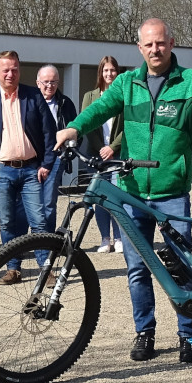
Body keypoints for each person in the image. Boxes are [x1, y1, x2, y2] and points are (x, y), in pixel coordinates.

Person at [56, 19, 192, 365]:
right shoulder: (126, 83)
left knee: (182, 267)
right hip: (133, 191)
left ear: (172, 44)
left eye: (161, 43)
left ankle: (190, 335)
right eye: (148, 44)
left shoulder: (191, 82)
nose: (155, 49)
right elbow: (98, 109)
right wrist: (74, 128)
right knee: (137, 268)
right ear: (140, 48)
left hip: (171, 192)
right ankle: (145, 332)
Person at [0, 50, 57, 285]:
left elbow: (49, 134)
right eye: (5, 69)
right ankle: (13, 269)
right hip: (2, 171)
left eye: (14, 68)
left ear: (19, 70)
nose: (10, 74)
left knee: (39, 222)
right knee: (7, 223)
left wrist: (46, 164)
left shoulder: (34, 96)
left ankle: (46, 270)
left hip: (32, 171)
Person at [81, 56, 125, 253]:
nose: (109, 74)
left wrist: (113, 147)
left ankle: (118, 237)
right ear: (100, 73)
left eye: (113, 70)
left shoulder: (124, 95)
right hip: (97, 156)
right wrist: (101, 148)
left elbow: (129, 126)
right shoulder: (90, 96)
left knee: (117, 197)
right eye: (106, 70)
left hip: (117, 155)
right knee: (100, 198)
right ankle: (105, 238)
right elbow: (87, 124)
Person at [36, 65, 77, 235]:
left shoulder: (66, 103)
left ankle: (47, 239)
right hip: (33, 159)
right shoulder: (29, 102)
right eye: (46, 82)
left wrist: (68, 152)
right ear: (38, 83)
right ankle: (30, 239)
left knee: (48, 202)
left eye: (53, 82)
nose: (49, 86)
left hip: (56, 158)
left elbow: (76, 130)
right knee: (30, 202)